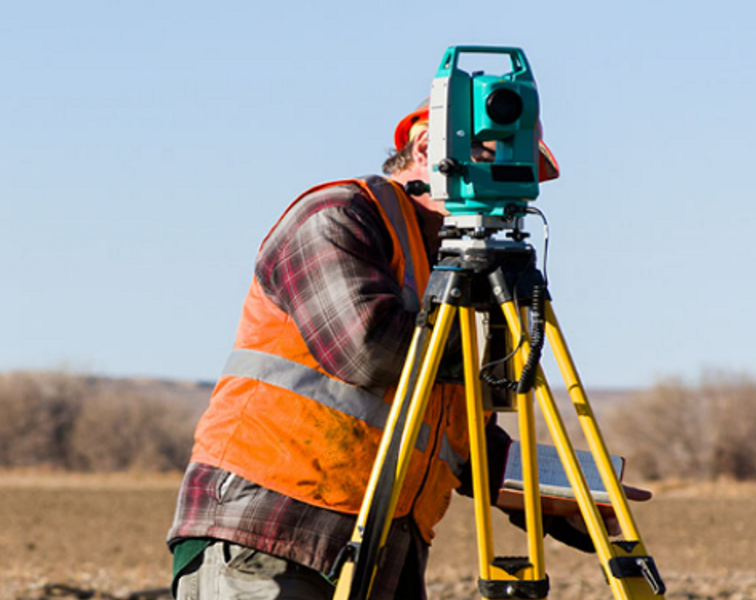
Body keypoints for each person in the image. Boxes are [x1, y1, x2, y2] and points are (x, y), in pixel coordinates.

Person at [166, 99, 571, 600]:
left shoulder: (445, 267)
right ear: (428, 147)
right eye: (501, 166)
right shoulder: (338, 215)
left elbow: (460, 433)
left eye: (521, 177)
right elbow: (369, 350)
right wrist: (486, 356)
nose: (509, 194)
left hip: (384, 551)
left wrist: (553, 496)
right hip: (272, 533)